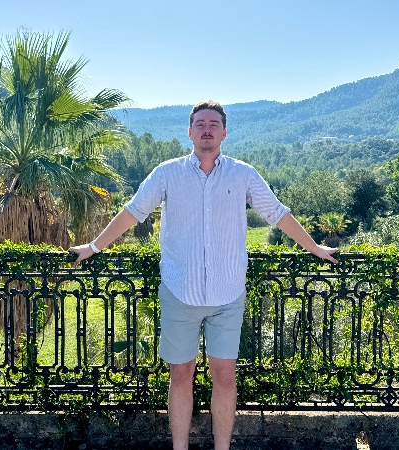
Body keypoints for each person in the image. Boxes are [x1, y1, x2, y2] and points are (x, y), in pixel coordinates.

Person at [69, 100, 338, 450]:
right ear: (190, 131)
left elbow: (277, 214)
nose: (207, 129)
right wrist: (94, 246)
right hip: (180, 291)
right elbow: (134, 211)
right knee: (180, 375)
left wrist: (314, 247)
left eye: (213, 124)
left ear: (224, 132)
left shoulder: (243, 174)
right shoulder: (167, 173)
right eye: (200, 124)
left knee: (224, 377)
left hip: (228, 294)